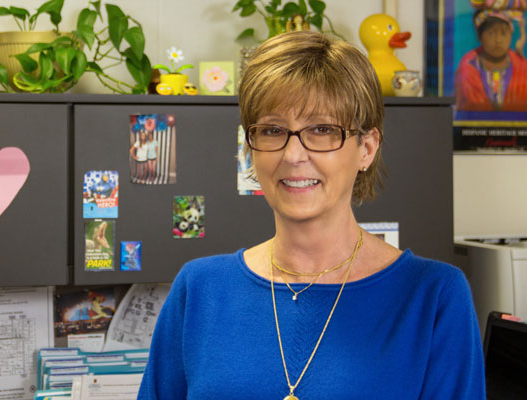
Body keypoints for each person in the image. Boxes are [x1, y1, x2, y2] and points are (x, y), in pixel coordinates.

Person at [138, 31, 485, 399]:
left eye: (322, 130)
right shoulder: (199, 289)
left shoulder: (434, 297)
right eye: (272, 130)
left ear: (366, 148)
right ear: (250, 149)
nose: (293, 154)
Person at [455, 8, 527, 111]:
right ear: (480, 37)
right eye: (491, 33)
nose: (498, 40)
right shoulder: (467, 68)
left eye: (503, 33)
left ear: (511, 36)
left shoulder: (523, 68)